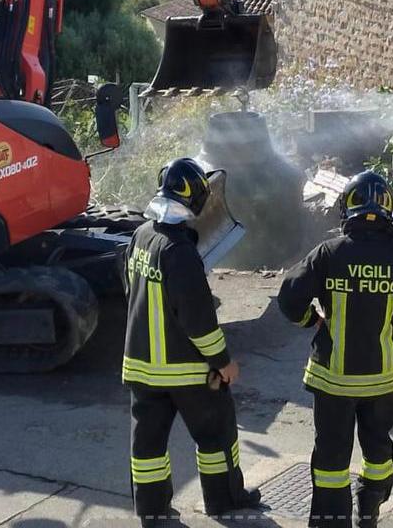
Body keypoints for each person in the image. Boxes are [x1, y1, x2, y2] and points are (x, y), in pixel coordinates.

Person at [279, 171, 393, 528]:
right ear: (388, 210)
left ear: (349, 208)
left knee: (330, 458)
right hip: (381, 380)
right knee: (378, 450)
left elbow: (288, 298)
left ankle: (331, 521)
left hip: (332, 380)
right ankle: (370, 505)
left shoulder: (328, 253)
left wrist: (310, 321)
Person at [122, 158, 260, 526]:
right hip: (186, 372)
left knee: (147, 447)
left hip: (140, 367)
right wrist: (224, 363)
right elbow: (199, 321)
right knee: (216, 435)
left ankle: (152, 512)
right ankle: (224, 501)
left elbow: (130, 291)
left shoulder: (141, 236)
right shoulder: (180, 252)